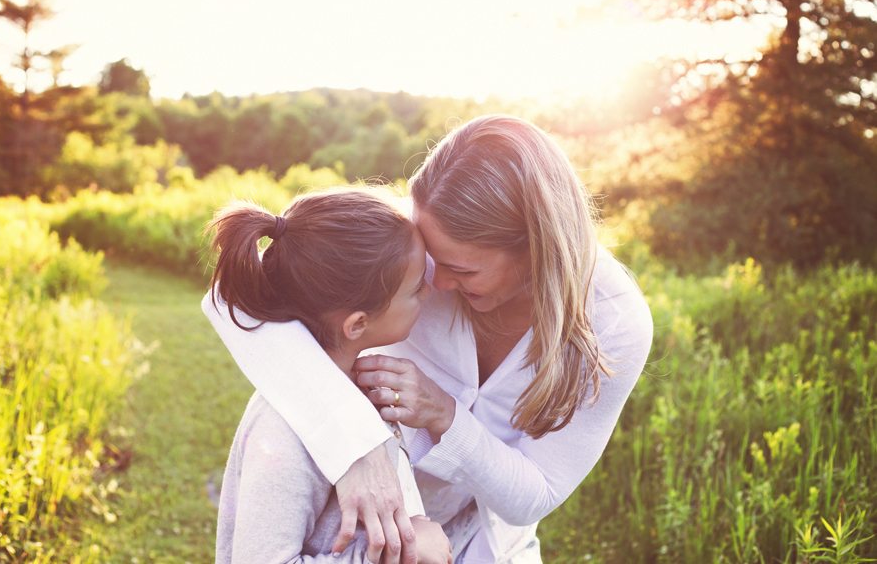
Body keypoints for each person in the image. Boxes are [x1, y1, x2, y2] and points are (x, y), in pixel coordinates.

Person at [203, 115, 654, 563]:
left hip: (477, 543)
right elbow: (235, 298)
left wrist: (445, 415)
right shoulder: (411, 246)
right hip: (357, 536)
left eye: (462, 270)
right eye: (432, 266)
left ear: (535, 248)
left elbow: (536, 493)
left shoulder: (612, 322)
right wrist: (356, 445)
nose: (436, 283)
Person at [205, 189, 452, 564]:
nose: (429, 291)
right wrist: (405, 556)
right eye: (416, 288)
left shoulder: (363, 387)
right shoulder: (281, 431)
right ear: (358, 324)